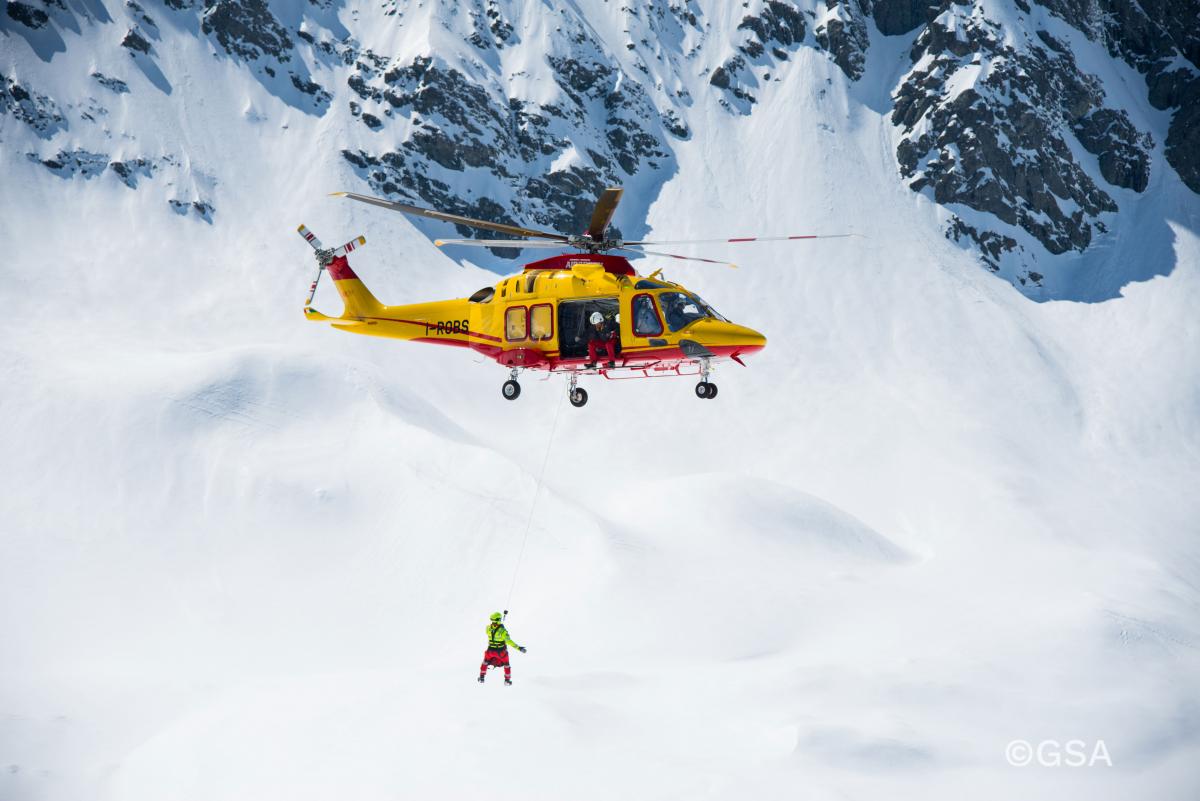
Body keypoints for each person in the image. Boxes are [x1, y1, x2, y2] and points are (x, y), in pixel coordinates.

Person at [478, 612, 526, 685]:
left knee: (485, 662)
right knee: (507, 665)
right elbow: (509, 641)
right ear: (499, 620)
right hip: (501, 652)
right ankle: (507, 680)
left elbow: (494, 629)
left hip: (490, 651)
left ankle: (481, 677)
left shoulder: (487, 628)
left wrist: (500, 626)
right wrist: (519, 648)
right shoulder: (502, 631)